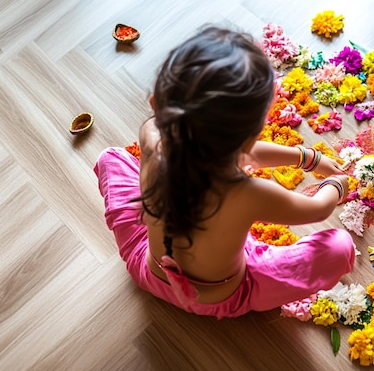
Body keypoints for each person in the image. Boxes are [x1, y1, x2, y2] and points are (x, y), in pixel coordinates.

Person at [94, 26, 355, 319]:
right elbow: (318, 209)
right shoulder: (250, 194)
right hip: (222, 298)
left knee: (112, 158)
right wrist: (336, 184)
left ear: (157, 104)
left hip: (147, 270)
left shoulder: (151, 136)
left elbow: (235, 152)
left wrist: (306, 157)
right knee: (339, 248)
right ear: (249, 138)